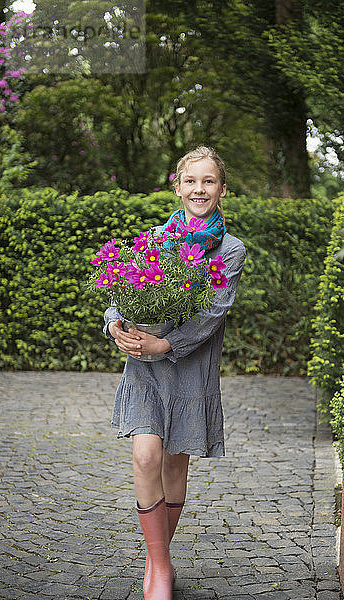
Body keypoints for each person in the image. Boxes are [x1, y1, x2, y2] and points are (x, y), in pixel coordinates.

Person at [103, 146, 246, 600]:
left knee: (174, 462)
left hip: (189, 369)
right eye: (191, 181)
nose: (199, 189)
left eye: (208, 182)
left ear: (222, 190)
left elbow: (213, 312)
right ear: (178, 186)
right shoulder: (156, 240)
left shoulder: (230, 249)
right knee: (146, 457)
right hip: (143, 367)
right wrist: (114, 323)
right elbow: (124, 287)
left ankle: (155, 559)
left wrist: (165, 343)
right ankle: (161, 566)